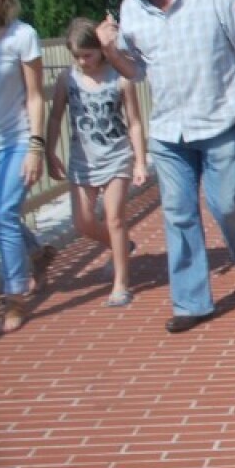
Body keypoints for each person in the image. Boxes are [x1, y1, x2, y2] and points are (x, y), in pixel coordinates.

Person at [98, 0, 235, 334]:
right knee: (178, 213)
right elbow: (135, 72)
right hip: (167, 130)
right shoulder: (131, 8)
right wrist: (107, 49)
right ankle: (192, 302)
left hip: (219, 120)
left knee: (226, 202)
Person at [46, 18, 149, 308]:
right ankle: (121, 247)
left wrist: (140, 161)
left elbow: (135, 123)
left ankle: (121, 281)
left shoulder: (120, 78)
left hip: (116, 156)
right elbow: (55, 116)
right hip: (82, 161)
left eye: (87, 55)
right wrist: (50, 151)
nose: (82, 61)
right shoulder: (68, 79)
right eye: (77, 56)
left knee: (115, 217)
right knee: (83, 221)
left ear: (101, 50)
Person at [0, 0, 45, 333]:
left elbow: (35, 96)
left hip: (16, 140)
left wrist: (36, 147)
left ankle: (14, 297)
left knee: (4, 214)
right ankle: (36, 251)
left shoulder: (21, 36)